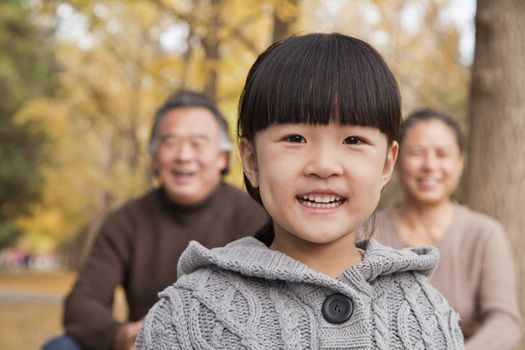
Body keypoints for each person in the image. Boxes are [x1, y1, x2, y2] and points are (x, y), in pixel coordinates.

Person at [136, 33, 464, 349]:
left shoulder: (427, 315)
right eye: (295, 138)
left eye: (353, 140)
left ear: (386, 165)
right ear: (251, 160)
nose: (323, 165)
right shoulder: (188, 314)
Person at [43, 91, 269, 350]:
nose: (183, 155)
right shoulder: (126, 222)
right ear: (154, 157)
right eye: (170, 143)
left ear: (222, 157)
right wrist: (121, 336)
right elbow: (83, 302)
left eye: (198, 143)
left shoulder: (256, 218)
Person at [372, 109, 522, 349]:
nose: (430, 165)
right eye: (416, 153)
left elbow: (505, 321)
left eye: (442, 154)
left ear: (460, 162)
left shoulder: (484, 233)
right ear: (395, 161)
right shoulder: (366, 232)